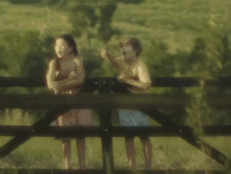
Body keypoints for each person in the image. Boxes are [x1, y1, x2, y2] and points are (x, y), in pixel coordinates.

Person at [101, 37, 153, 170]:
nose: (122, 49)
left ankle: (148, 167)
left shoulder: (140, 65)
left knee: (144, 137)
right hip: (124, 108)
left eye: (126, 47)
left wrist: (127, 81)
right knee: (128, 138)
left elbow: (146, 84)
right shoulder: (123, 61)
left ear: (135, 51)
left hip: (139, 108)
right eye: (122, 47)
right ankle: (132, 167)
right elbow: (113, 60)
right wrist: (106, 53)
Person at [46, 34, 94, 170]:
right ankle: (67, 165)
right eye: (57, 45)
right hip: (63, 102)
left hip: (79, 101)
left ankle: (82, 165)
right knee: (65, 135)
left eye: (62, 45)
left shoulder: (77, 60)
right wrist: (69, 81)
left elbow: (80, 80)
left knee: (80, 134)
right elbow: (50, 84)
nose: (59, 48)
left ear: (71, 47)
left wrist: (60, 84)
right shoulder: (54, 63)